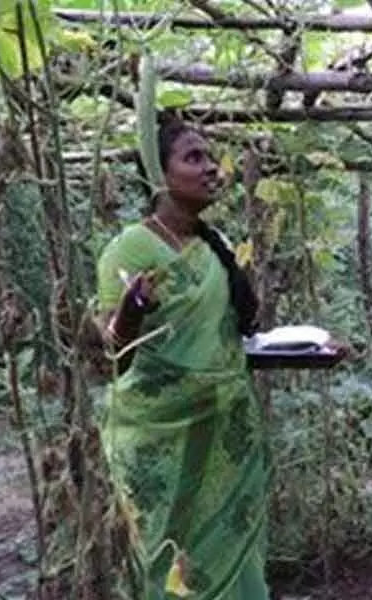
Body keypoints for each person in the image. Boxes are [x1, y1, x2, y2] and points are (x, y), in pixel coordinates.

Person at [94, 118, 272, 598]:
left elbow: (225, 344)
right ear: (158, 172)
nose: (212, 168)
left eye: (211, 157)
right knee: (161, 555)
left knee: (227, 546)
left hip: (223, 429)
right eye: (194, 157)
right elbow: (112, 354)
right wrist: (131, 311)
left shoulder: (212, 248)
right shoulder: (130, 247)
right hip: (157, 436)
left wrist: (313, 352)